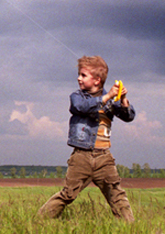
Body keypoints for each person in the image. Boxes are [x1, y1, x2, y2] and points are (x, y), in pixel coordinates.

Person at [38, 55, 135, 222]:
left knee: (116, 194)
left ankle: (131, 228)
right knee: (68, 193)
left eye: (83, 75)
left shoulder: (111, 100)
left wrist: (123, 99)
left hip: (104, 157)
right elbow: (80, 108)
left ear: (97, 80)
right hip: (81, 156)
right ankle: (39, 221)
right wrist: (107, 97)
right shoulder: (78, 97)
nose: (78, 78)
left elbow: (128, 116)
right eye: (79, 74)